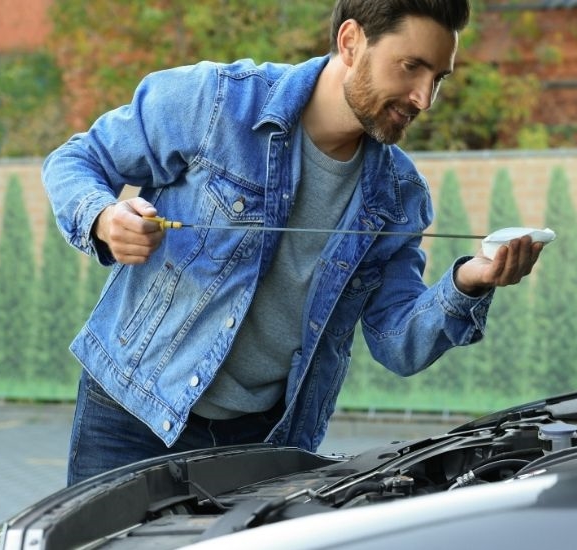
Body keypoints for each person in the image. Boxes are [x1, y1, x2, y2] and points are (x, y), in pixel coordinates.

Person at [43, 0, 544, 486]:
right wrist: (105, 218)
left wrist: (469, 281)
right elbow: (76, 160)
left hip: (263, 442)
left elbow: (397, 343)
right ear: (351, 42)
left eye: (438, 77)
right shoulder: (218, 102)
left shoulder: (399, 197)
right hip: (132, 414)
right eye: (411, 67)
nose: (423, 98)